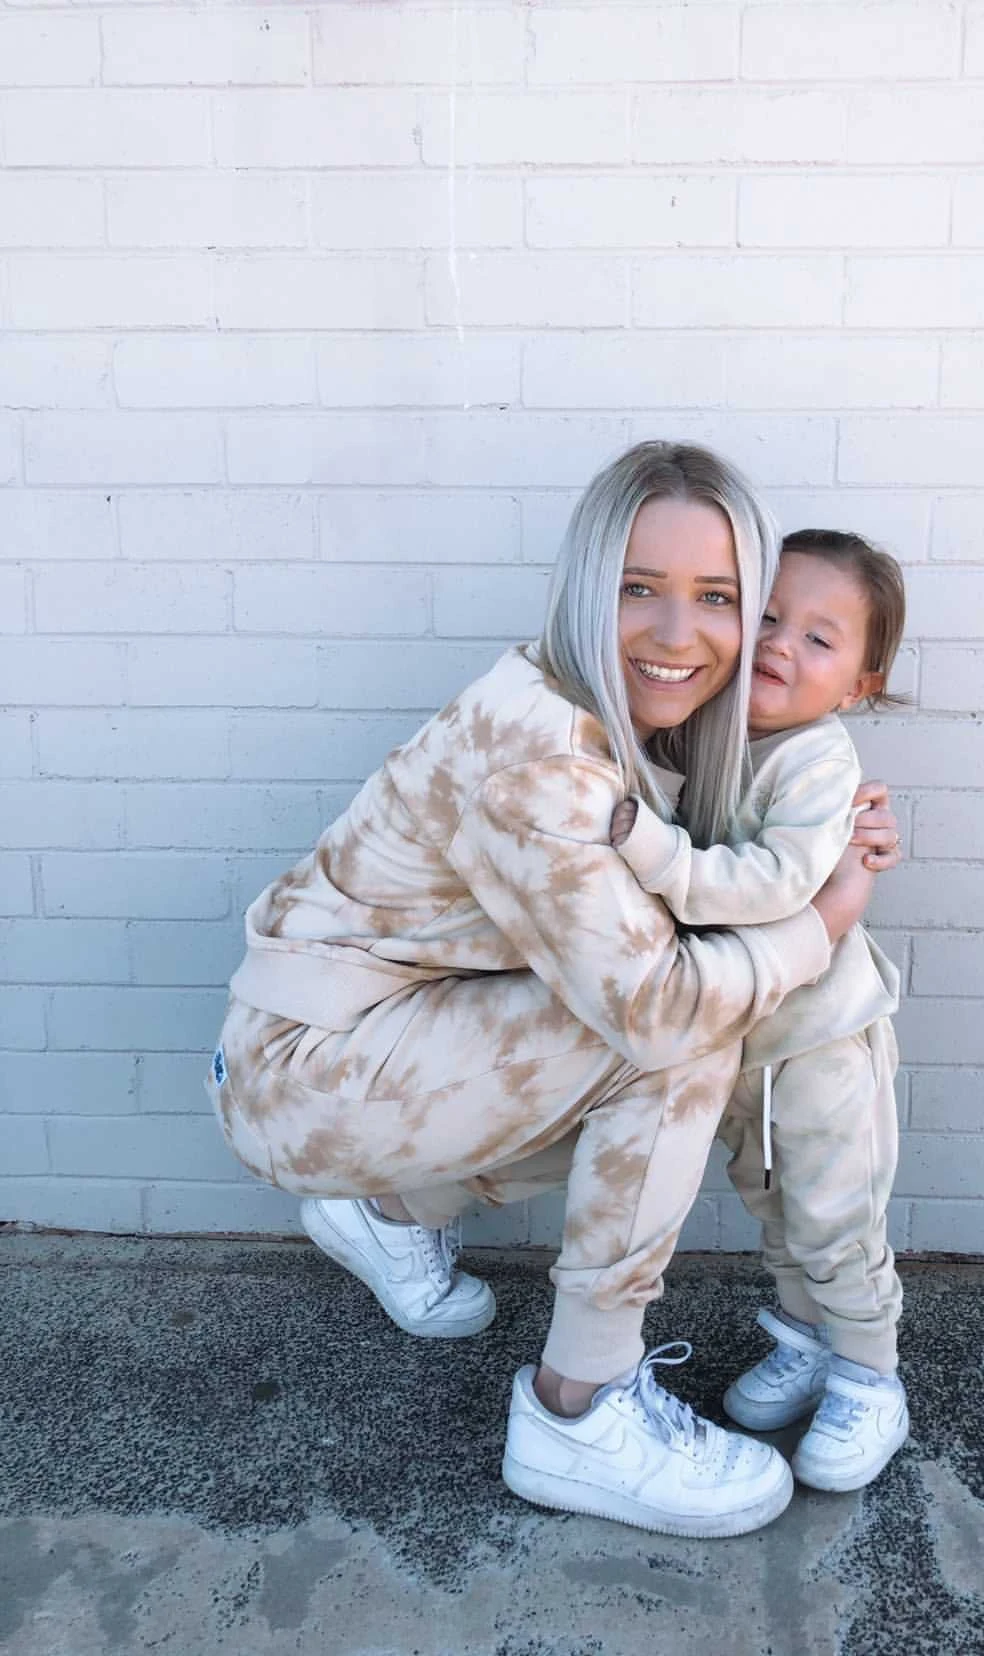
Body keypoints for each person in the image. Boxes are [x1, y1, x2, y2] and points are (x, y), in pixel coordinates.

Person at [207, 442, 901, 1540]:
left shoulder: (619, 708)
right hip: (308, 1071)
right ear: (585, 583)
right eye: (639, 588)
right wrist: (824, 921)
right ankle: (580, 1408)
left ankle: (392, 1212)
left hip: (377, 1030)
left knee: (675, 1019)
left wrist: (821, 834)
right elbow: (660, 1007)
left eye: (718, 597)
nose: (678, 634)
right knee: (680, 1036)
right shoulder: (541, 750)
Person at [610, 529, 909, 1494]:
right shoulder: (711, 734)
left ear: (860, 684)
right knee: (776, 1208)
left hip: (820, 1044)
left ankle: (871, 1377)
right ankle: (808, 1344)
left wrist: (654, 853)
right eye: (768, 616)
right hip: (743, 1042)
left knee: (834, 1215)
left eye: (819, 638)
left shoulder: (819, 763)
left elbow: (775, 882)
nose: (781, 643)